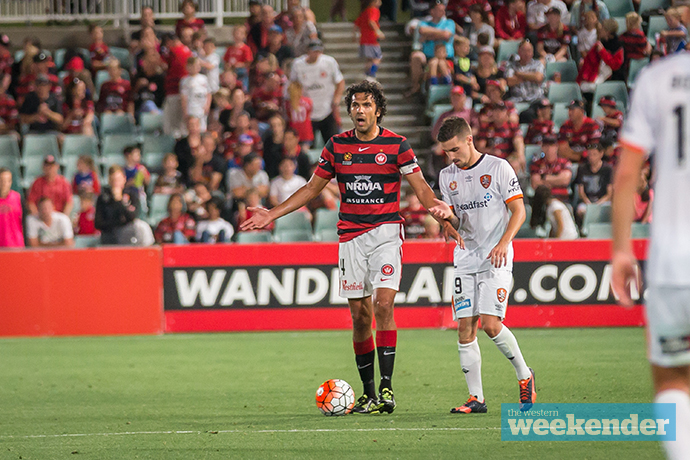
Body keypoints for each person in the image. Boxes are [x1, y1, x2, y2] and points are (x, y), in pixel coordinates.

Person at [240, 80, 457, 414]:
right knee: (359, 316)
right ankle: (368, 393)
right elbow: (313, 189)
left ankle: (386, 389)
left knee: (384, 305)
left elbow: (424, 191)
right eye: (355, 105)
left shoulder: (397, 146)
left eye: (366, 105)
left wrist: (441, 214)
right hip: (350, 237)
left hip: (386, 232)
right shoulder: (337, 146)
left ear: (378, 110)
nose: (359, 110)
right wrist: (272, 213)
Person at [611, 51, 690, 460]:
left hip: (673, 265)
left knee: (674, 379)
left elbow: (627, 174)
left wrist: (621, 249)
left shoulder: (659, 78)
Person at [430, 115, 535, 414]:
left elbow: (518, 211)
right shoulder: (447, 176)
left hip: (496, 257)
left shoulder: (498, 168)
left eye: (454, 150)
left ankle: (525, 376)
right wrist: (447, 224)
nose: (451, 157)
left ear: (468, 140)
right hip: (465, 258)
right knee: (465, 329)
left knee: (490, 325)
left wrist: (504, 242)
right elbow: (456, 219)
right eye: (446, 152)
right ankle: (476, 398)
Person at [289, 39, 345, 146]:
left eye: (318, 51)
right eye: (314, 51)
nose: (316, 54)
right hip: (308, 111)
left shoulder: (329, 62)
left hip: (327, 108)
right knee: (308, 145)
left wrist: (336, 99)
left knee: (333, 144)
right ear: (308, 51)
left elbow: (340, 81)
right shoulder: (298, 64)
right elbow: (293, 84)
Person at [405, 1, 455, 97]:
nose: (443, 12)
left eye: (443, 10)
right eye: (440, 10)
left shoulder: (449, 22)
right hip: (427, 56)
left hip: (445, 57)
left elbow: (446, 34)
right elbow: (422, 30)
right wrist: (439, 35)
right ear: (432, 11)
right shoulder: (424, 23)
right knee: (416, 56)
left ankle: (443, 89)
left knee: (436, 62)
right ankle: (416, 87)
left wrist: (429, 36)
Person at [95, 165, 140, 245]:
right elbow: (98, 223)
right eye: (113, 180)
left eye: (118, 180)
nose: (116, 183)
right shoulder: (103, 198)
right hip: (109, 235)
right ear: (109, 181)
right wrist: (118, 222)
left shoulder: (132, 195)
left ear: (124, 179)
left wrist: (119, 201)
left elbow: (132, 216)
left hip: (127, 234)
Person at [163, 32, 193, 138]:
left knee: (173, 124)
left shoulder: (174, 51)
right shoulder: (188, 51)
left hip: (174, 90)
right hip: (186, 90)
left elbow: (163, 64)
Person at [574, 142, 613, 223]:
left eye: (594, 154)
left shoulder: (607, 169)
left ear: (601, 154)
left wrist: (598, 204)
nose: (591, 157)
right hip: (587, 202)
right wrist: (588, 203)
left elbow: (609, 194)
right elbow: (581, 192)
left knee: (610, 209)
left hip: (603, 201)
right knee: (581, 211)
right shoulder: (582, 168)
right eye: (590, 154)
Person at [529, 134, 572, 201]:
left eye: (552, 145)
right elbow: (535, 184)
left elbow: (565, 180)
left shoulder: (564, 162)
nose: (549, 149)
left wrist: (545, 178)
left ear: (556, 147)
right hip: (543, 199)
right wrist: (557, 180)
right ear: (542, 147)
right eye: (546, 146)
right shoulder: (536, 164)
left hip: (561, 198)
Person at [354, 0, 385, 79]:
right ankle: (371, 74)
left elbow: (356, 24)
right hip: (372, 39)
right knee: (378, 57)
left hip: (364, 40)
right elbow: (371, 21)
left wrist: (355, 35)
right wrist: (378, 32)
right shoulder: (374, 10)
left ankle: (366, 74)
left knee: (369, 59)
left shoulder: (364, 12)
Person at [180, 56, 212, 132]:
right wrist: (185, 111)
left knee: (202, 127)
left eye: (197, 66)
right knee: (192, 127)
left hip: (202, 107)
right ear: (188, 67)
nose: (195, 68)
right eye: (192, 66)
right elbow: (183, 97)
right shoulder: (185, 80)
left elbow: (208, 93)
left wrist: (207, 105)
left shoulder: (204, 79)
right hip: (191, 108)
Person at [0, 167, 24, 248]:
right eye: (1, 180)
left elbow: (23, 222)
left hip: (16, 246)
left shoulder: (17, 198)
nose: (4, 184)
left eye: (7, 181)